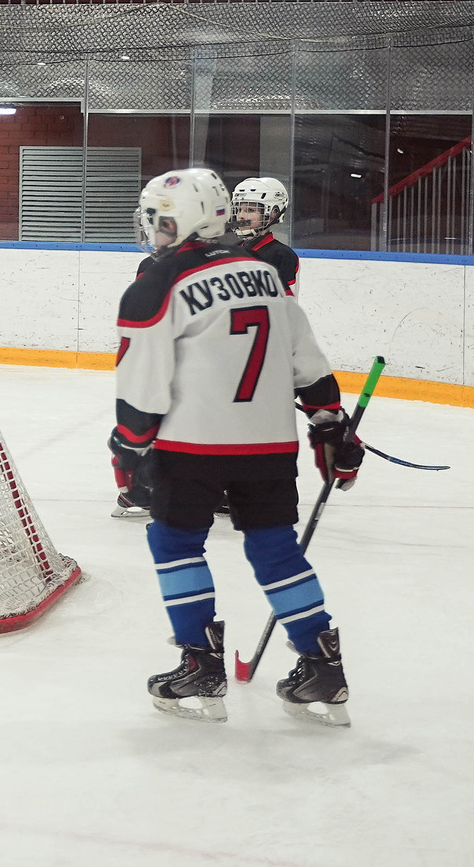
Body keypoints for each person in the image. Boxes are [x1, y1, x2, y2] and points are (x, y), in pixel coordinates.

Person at [110, 169, 362, 729]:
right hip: (268, 443)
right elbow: (310, 367)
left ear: (188, 221)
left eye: (162, 219)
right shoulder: (265, 274)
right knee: (276, 548)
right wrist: (331, 427)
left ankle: (200, 664)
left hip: (191, 443)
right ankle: (322, 665)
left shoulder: (157, 281)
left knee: (175, 542)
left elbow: (143, 383)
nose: (154, 229)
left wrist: (128, 445)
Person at [230, 176, 298, 292]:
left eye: (250, 210)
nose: (241, 216)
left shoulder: (281, 255)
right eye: (239, 209)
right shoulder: (233, 250)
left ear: (273, 214)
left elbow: (286, 303)